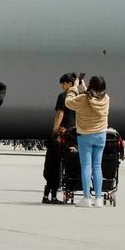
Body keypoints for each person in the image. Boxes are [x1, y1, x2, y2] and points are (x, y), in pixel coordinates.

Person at [65, 75, 112, 208]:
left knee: (86, 166)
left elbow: (68, 102)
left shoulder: (82, 98)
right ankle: (98, 199)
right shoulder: (106, 99)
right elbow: (94, 98)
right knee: (97, 166)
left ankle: (86, 199)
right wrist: (85, 88)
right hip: (100, 135)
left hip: (85, 135)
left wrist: (75, 88)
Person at [45, 72, 78, 204]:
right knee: (70, 162)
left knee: (54, 163)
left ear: (69, 84)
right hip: (74, 135)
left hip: (62, 133)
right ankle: (69, 188)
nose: (62, 87)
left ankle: (49, 195)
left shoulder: (63, 96)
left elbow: (60, 113)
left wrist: (54, 131)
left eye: (63, 84)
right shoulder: (80, 97)